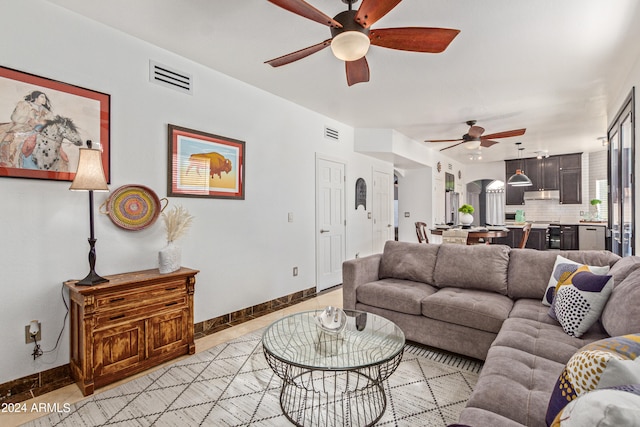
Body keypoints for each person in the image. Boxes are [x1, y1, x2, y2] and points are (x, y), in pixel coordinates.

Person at [0, 90, 54, 168]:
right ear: (35, 97)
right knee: (13, 140)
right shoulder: (24, 105)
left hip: (38, 130)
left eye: (45, 97)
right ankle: (10, 162)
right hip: (22, 128)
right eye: (42, 97)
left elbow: (50, 122)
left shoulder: (46, 111)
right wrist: (28, 120)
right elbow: (15, 117)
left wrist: (39, 122)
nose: (44, 99)